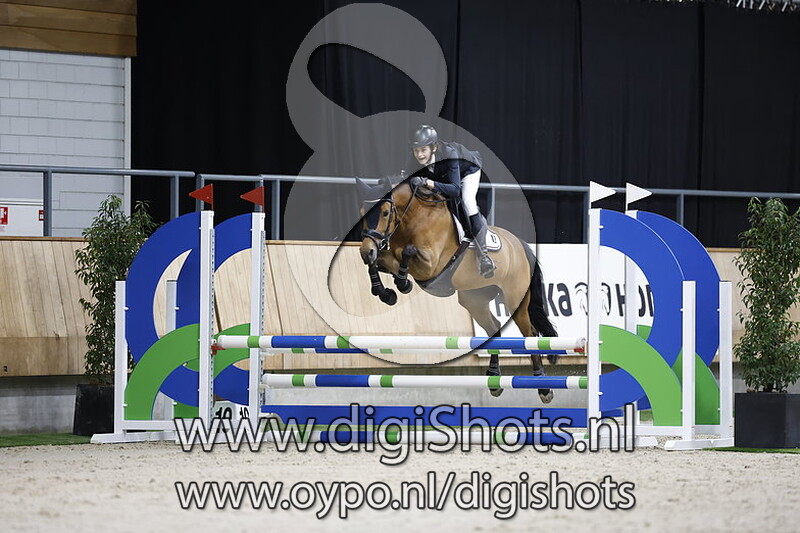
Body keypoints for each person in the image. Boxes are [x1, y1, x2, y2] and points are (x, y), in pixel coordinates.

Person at [405, 125, 495, 278]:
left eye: (423, 150)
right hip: (443, 176)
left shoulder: (449, 154)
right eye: (416, 151)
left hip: (467, 171)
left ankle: (484, 256)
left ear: (433, 147)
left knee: (467, 202)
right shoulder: (413, 159)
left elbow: (455, 190)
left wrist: (428, 183)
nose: (419, 155)